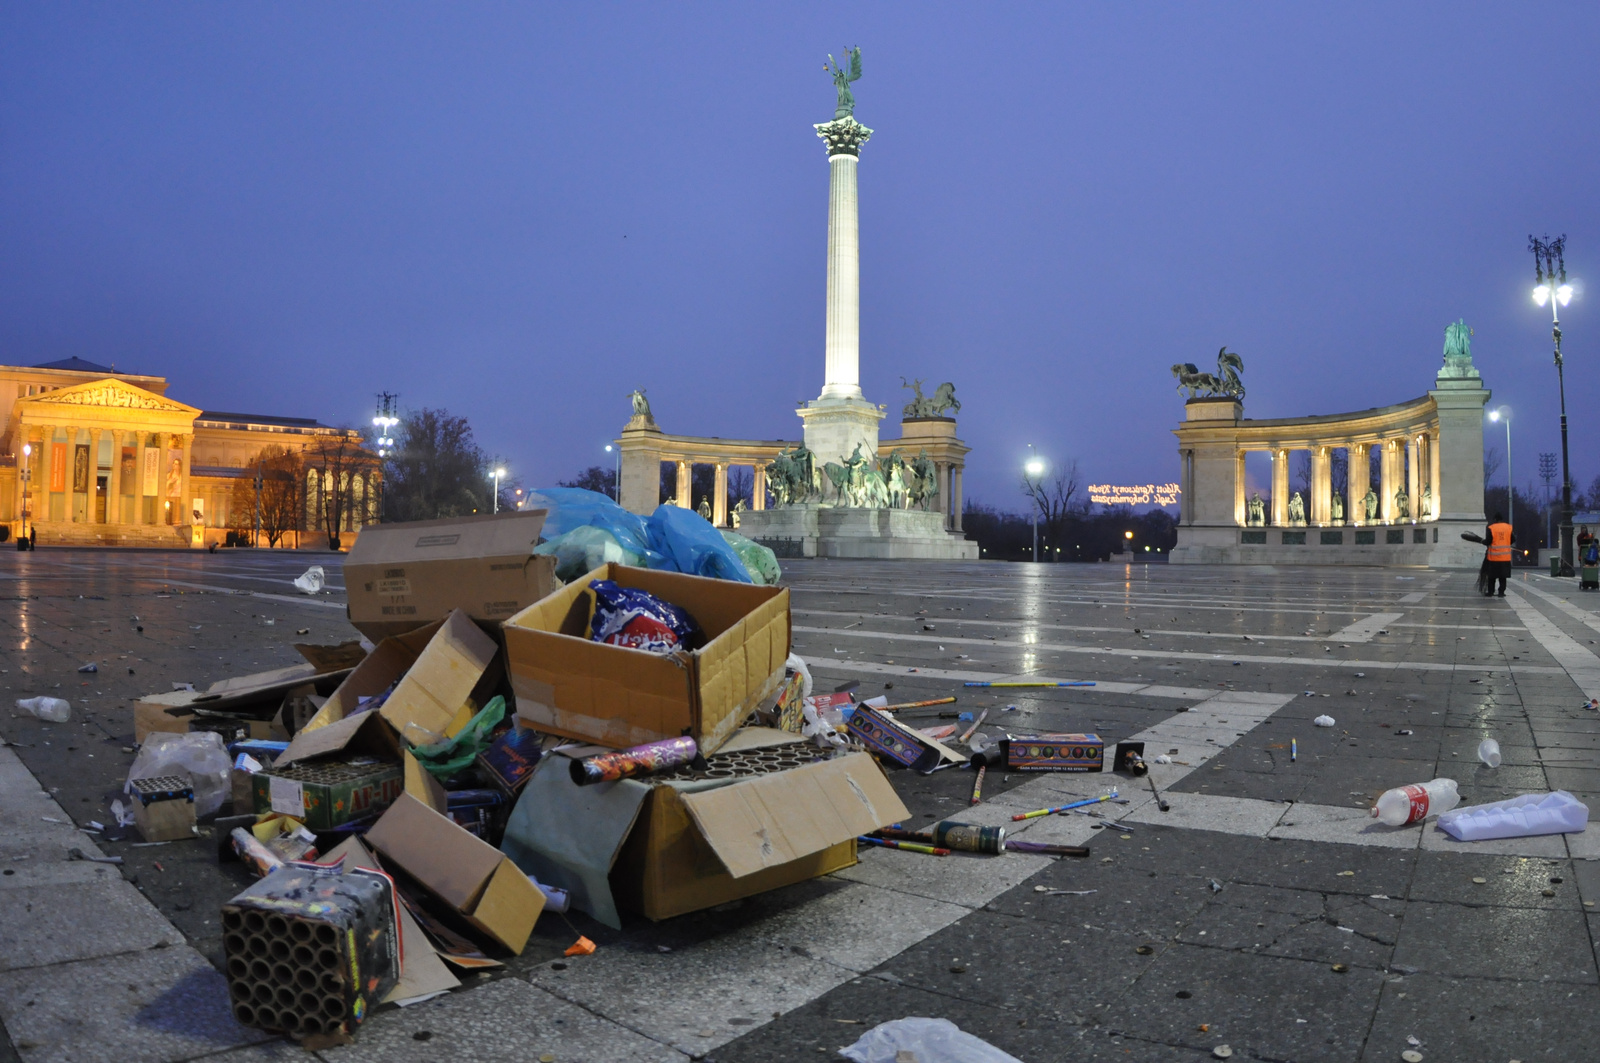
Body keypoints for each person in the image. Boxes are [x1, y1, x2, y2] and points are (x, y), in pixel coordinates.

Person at [1484, 511, 1514, 598]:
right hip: (1505, 557)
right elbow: (1513, 539)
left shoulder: (1491, 528)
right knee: (1502, 576)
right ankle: (1501, 592)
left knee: (1492, 576)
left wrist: (1483, 542)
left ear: (1495, 519)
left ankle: (1491, 592)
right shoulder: (1508, 527)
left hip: (1494, 557)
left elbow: (1488, 541)